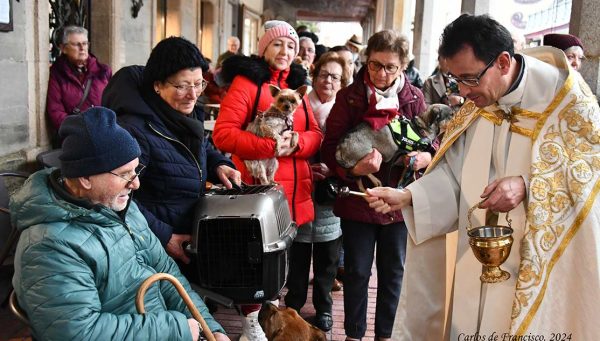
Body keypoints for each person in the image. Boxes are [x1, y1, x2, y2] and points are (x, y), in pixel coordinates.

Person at [365, 14, 600, 340]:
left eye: (469, 78)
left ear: (503, 62)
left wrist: (528, 186)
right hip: (474, 262)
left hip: (532, 267)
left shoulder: (569, 103)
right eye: (454, 80)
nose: (462, 91)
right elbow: (455, 174)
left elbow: (590, 175)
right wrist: (410, 196)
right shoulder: (479, 102)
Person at [11, 107, 230, 341]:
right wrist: (177, 329)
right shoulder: (48, 246)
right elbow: (77, 333)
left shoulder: (120, 206)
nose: (135, 184)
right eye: (125, 174)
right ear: (85, 178)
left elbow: (166, 271)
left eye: (136, 170)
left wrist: (209, 326)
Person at [213, 20, 322, 341]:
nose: (285, 51)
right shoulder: (247, 84)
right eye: (277, 44)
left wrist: (298, 143)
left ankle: (268, 321)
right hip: (259, 190)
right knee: (256, 263)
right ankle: (252, 326)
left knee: (278, 263)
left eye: (290, 45)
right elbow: (223, 134)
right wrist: (270, 145)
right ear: (263, 49)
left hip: (292, 191)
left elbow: (315, 135)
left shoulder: (300, 88)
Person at [321, 30, 429, 341]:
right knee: (356, 272)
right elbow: (329, 148)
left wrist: (425, 155)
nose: (381, 73)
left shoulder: (415, 98)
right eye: (375, 65)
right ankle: (354, 334)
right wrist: (354, 167)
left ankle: (385, 335)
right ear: (366, 63)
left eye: (390, 67)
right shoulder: (349, 96)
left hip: (397, 200)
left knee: (393, 273)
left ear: (403, 67)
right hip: (360, 198)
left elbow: (431, 141)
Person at [102, 37, 240, 271]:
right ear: (157, 85)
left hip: (186, 231)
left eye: (199, 84)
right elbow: (117, 198)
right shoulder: (135, 131)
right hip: (154, 250)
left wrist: (218, 164)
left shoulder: (183, 114)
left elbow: (198, 147)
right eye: (182, 86)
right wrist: (165, 237)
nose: (193, 94)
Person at [284, 51, 351, 332]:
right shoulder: (298, 104)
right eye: (324, 74)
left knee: (327, 257)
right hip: (300, 185)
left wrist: (333, 168)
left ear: (342, 81)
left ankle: (324, 307)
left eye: (335, 76)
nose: (328, 80)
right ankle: (294, 305)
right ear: (315, 75)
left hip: (330, 191)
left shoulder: (346, 110)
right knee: (297, 254)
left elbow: (350, 148)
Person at [46, 25, 112, 145]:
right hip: (76, 138)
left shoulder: (103, 71)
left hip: (105, 134)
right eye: (76, 44)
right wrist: (80, 129)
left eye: (85, 43)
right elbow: (55, 111)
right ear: (63, 48)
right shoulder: (57, 73)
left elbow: (114, 102)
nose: (82, 48)